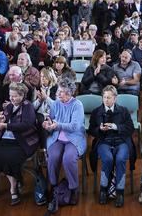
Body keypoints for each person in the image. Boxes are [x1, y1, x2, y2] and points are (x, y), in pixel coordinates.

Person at [43, 80, 86, 213]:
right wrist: (48, 125)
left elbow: (75, 126)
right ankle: (54, 186)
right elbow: (50, 120)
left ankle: (74, 188)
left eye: (61, 92)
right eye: (58, 91)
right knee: (53, 157)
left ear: (69, 93)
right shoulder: (55, 104)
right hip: (57, 137)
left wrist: (57, 124)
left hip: (74, 138)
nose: (58, 94)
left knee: (68, 158)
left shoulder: (77, 105)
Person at [88, 85, 135, 208]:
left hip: (121, 141)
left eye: (109, 97)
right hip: (104, 141)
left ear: (115, 98)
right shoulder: (96, 112)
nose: (106, 100)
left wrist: (116, 127)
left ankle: (120, 192)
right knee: (107, 159)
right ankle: (103, 190)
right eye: (104, 97)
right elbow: (91, 130)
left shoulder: (124, 111)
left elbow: (130, 128)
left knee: (120, 159)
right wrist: (99, 129)